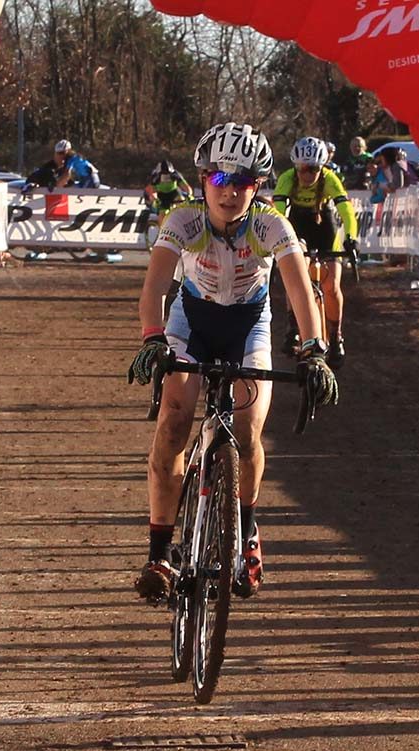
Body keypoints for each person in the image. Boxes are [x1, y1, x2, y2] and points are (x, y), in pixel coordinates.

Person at [127, 122, 338, 604]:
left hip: (249, 326)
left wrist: (314, 349)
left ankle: (245, 529)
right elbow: (156, 285)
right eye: (219, 180)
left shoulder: (271, 226)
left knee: (247, 431)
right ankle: (159, 552)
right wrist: (152, 337)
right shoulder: (182, 221)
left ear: (257, 186)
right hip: (191, 322)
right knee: (173, 422)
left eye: (241, 182)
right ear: (202, 180)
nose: (229, 192)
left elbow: (301, 292)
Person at [272, 136, 359, 369]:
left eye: (314, 169)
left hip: (324, 224)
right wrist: (279, 243)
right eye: (303, 169)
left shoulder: (330, 180)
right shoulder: (286, 179)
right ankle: (292, 327)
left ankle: (336, 335)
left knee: (331, 287)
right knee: (296, 277)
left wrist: (351, 238)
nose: (308, 175)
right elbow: (279, 215)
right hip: (297, 224)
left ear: (323, 167)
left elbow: (347, 212)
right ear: (295, 167)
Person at [143, 159, 193, 223]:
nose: (166, 177)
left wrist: (189, 195)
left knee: (181, 203)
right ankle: (162, 229)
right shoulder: (155, 177)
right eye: (163, 175)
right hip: (162, 196)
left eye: (168, 174)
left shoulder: (175, 174)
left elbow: (187, 187)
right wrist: (155, 200)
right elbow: (150, 190)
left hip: (174, 193)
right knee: (162, 214)